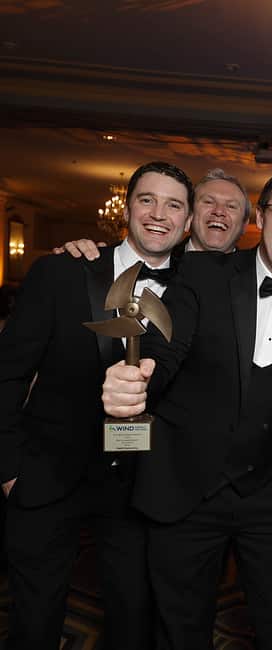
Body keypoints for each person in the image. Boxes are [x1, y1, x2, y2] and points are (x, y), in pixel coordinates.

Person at [101, 167, 272, 650]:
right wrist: (133, 381)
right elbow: (162, 346)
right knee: (180, 628)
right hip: (186, 490)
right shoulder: (202, 274)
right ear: (262, 216)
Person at [0, 161, 193, 650]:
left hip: (134, 487)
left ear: (188, 222)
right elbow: (7, 371)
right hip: (46, 472)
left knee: (132, 615)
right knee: (35, 616)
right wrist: (8, 468)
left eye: (174, 205)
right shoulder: (62, 270)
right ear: (126, 208)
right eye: (147, 199)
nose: (158, 214)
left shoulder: (199, 289)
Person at [57, 167, 250, 259]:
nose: (218, 212)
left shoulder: (255, 275)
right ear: (189, 218)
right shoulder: (157, 259)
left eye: (232, 206)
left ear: (244, 224)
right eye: (208, 202)